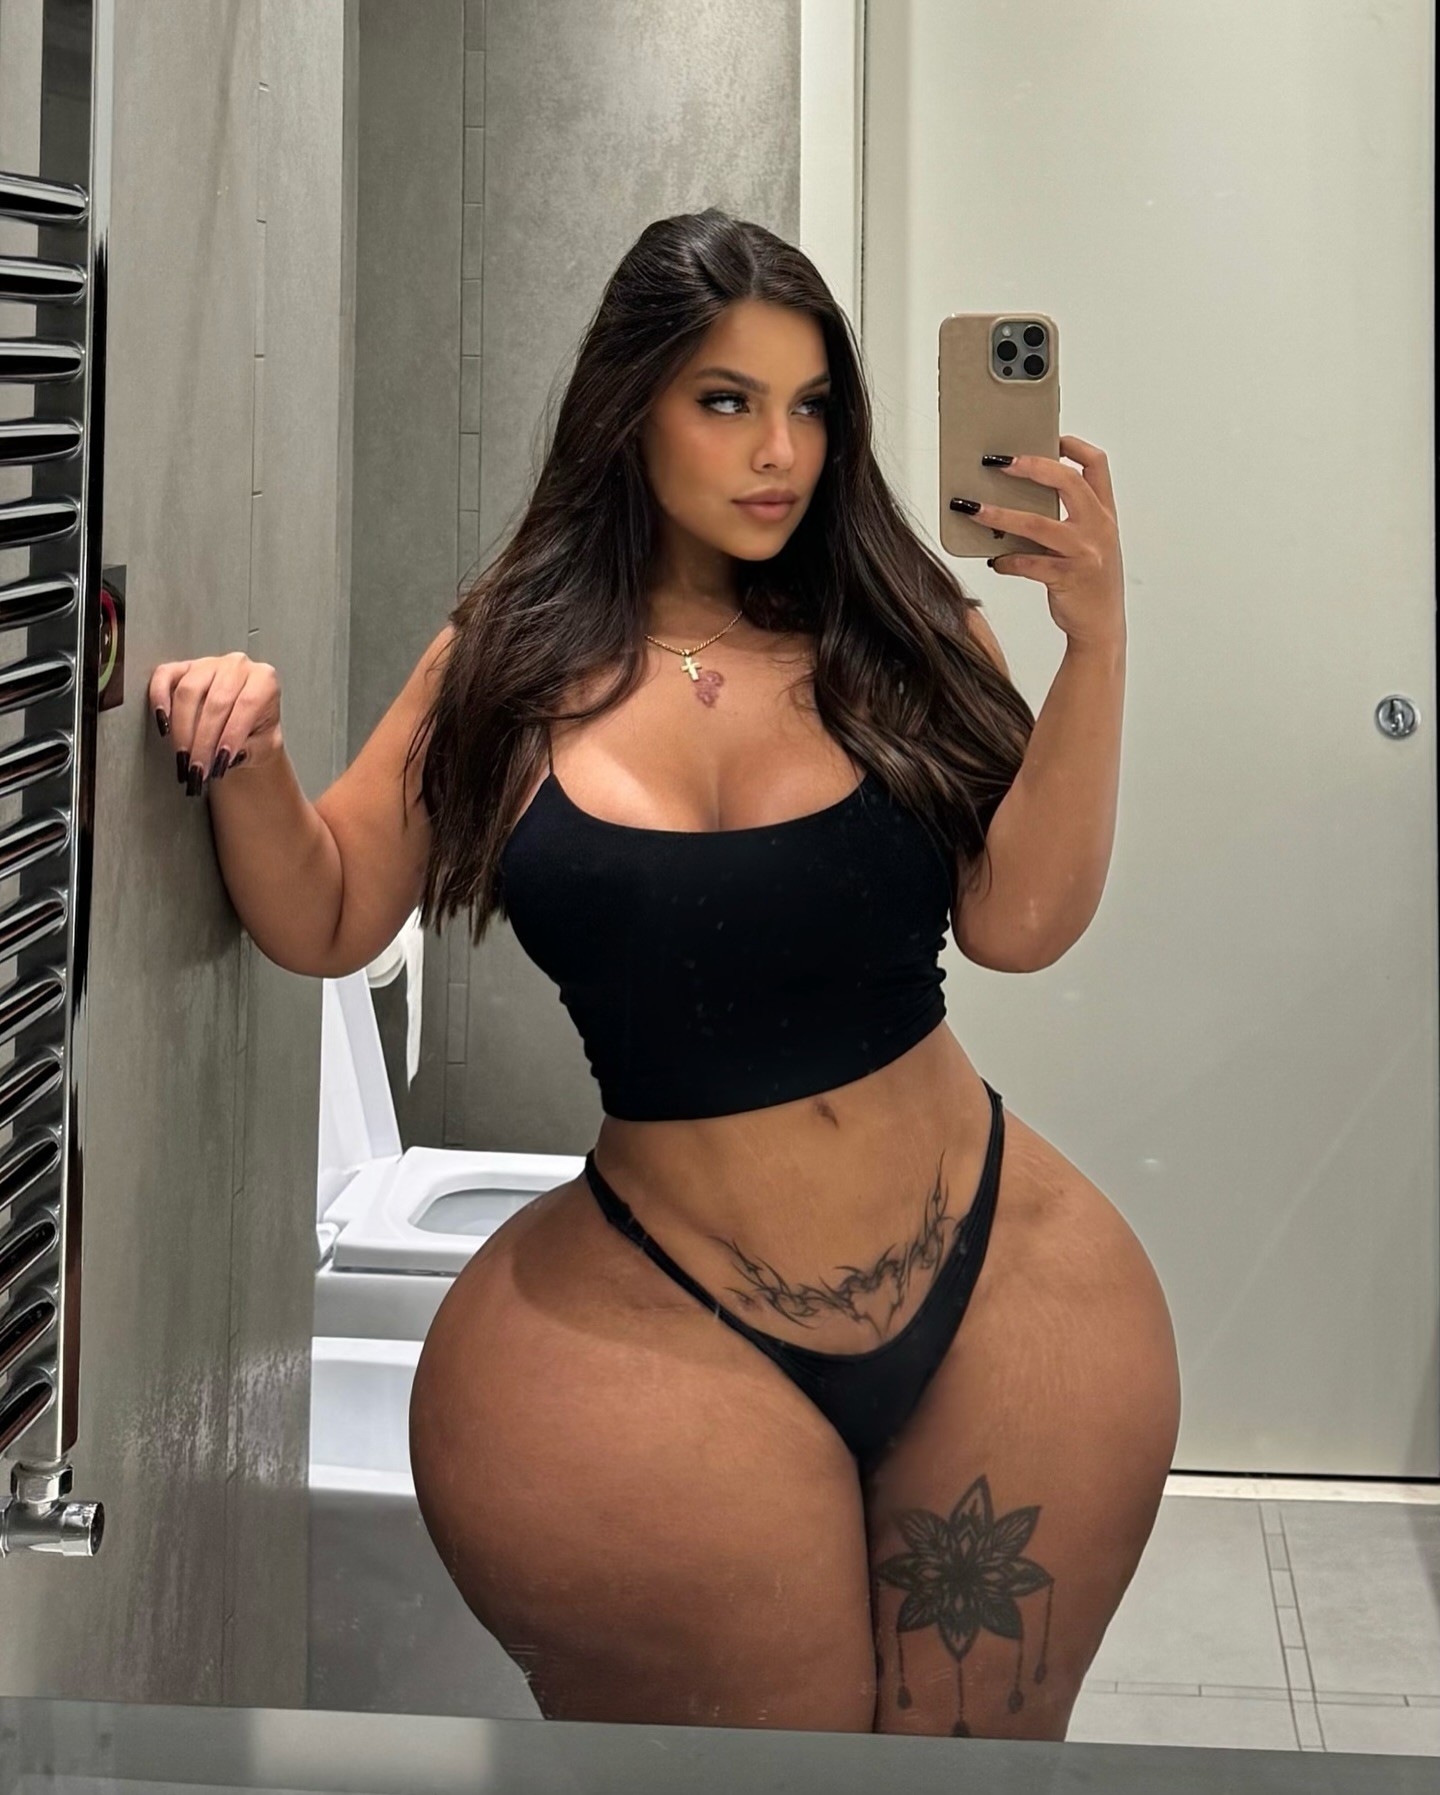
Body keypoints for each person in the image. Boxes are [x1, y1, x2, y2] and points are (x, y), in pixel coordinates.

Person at [151, 209, 1179, 1741]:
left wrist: (1096, 645)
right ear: (630, 411)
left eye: (811, 406)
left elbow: (1019, 922)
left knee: (980, 1763)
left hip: (1005, 1291)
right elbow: (334, 913)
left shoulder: (909, 633)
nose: (780, 451)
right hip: (665, 1319)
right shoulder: (504, 661)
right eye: (727, 401)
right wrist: (247, 753)